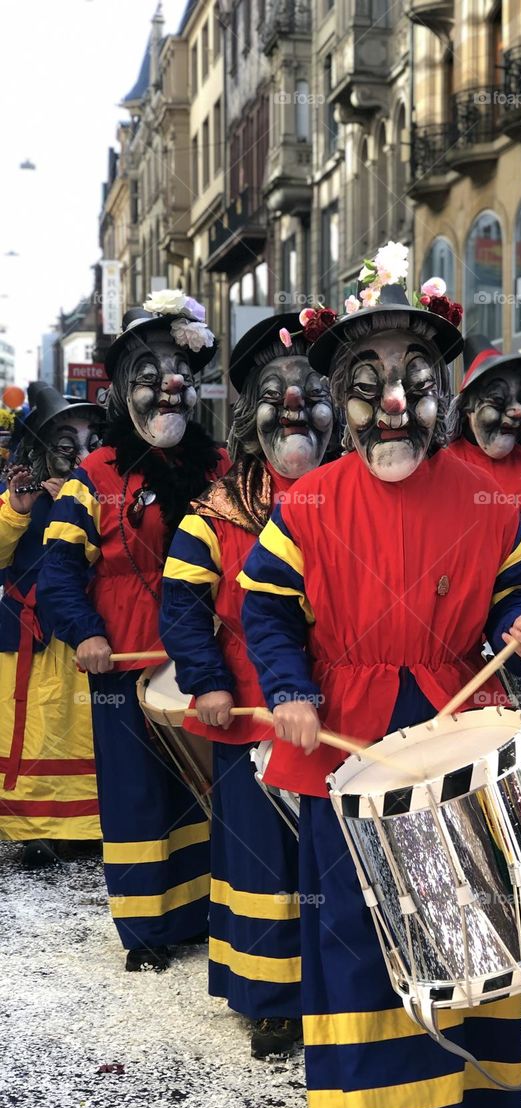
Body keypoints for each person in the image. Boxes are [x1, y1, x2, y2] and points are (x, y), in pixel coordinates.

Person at [238, 249, 521, 1108]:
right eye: (369, 386)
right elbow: (265, 609)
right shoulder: (307, 502)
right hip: (350, 733)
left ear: (441, 394)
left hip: (457, 714)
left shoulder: (485, 494)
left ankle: (479, 1105)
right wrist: (289, 691)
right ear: (342, 394)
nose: (392, 407)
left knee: (475, 911)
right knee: (363, 922)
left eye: (413, 386)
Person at [160, 310, 336, 1057]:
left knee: (329, 861)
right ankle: (268, 997)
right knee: (262, 861)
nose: (293, 408)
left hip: (335, 718)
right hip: (249, 713)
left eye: (308, 393)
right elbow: (181, 606)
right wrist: (204, 680)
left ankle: (335, 987)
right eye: (276, 394)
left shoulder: (354, 498)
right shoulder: (216, 511)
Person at [39, 293, 228, 972]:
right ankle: (147, 930)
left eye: (177, 370)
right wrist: (85, 633)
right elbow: (57, 573)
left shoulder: (220, 469)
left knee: (206, 792)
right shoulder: (94, 478)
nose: (166, 385)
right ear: (123, 392)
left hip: (209, 664)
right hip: (124, 665)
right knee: (138, 795)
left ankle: (207, 912)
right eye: (148, 374)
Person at [0, 384, 104, 866]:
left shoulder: (102, 496)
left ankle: (83, 825)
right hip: (27, 642)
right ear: (43, 451)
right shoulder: (18, 499)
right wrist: (17, 514)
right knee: (34, 731)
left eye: (89, 443)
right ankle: (28, 827)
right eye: (67, 446)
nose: (79, 455)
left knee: (79, 728)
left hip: (81, 636)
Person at [446, 333, 521, 533]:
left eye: (520, 398)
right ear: (468, 407)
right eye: (498, 400)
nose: (520, 411)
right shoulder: (444, 467)